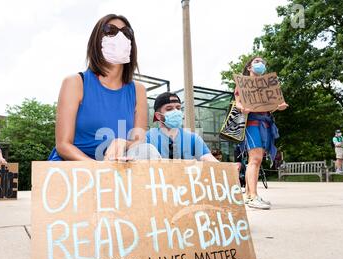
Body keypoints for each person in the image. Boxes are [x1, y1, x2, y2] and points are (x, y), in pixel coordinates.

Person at [48, 14, 159, 162]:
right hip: (75, 168)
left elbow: (139, 141)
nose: (120, 37)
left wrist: (123, 143)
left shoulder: (138, 90)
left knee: (148, 150)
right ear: (97, 40)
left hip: (117, 167)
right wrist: (98, 170)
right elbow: (63, 145)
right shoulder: (75, 83)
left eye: (126, 33)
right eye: (110, 31)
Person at [235, 57, 289, 210]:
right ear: (249, 67)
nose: (261, 65)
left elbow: (270, 106)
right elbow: (238, 102)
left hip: (265, 124)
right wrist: (241, 108)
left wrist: (279, 107)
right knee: (255, 160)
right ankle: (253, 197)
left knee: (255, 161)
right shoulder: (243, 83)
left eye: (263, 63)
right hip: (252, 124)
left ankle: (249, 195)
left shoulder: (268, 85)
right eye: (257, 62)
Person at [146, 92, 218, 162]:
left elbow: (209, 159)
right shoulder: (148, 138)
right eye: (169, 109)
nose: (176, 112)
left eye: (178, 108)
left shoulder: (193, 139)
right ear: (159, 116)